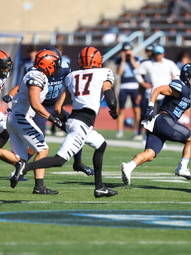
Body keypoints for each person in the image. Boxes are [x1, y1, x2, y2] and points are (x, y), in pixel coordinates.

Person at [10, 46, 119, 198]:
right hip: (83, 123)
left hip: (75, 120)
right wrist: (113, 109)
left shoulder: (72, 76)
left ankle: (100, 187)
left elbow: (58, 107)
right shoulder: (103, 72)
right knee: (59, 160)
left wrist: (64, 123)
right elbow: (110, 97)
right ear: (98, 60)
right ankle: (24, 168)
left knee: (101, 144)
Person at [4, 47, 95, 176]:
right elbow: (21, 85)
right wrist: (11, 95)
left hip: (55, 106)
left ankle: (78, 162)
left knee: (76, 131)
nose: (57, 66)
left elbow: (72, 85)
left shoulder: (64, 69)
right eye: (55, 63)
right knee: (37, 142)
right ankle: (20, 170)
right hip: (40, 108)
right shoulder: (37, 72)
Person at [120, 63, 191, 186]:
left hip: (161, 123)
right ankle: (182, 168)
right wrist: (150, 107)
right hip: (165, 120)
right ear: (186, 76)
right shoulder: (180, 86)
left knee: (150, 154)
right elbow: (157, 89)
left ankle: (129, 166)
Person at [7, 49, 63, 194]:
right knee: (43, 150)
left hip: (16, 117)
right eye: (55, 64)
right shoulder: (37, 76)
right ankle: (39, 186)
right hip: (21, 117)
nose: (56, 67)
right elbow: (35, 104)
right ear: (47, 64)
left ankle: (22, 169)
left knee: (20, 158)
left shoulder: (34, 73)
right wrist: (52, 118)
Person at [134, 45, 180, 116]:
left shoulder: (169, 63)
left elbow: (178, 74)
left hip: (166, 95)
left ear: (163, 54)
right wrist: (143, 83)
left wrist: (174, 82)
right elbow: (136, 73)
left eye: (159, 53)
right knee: (151, 117)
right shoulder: (147, 64)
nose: (158, 55)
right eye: (156, 53)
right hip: (152, 94)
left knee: (164, 117)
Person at [114, 42, 142, 139]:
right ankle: (120, 131)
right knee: (121, 110)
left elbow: (139, 70)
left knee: (136, 110)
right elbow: (119, 73)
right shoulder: (119, 60)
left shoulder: (137, 58)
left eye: (128, 50)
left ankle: (136, 131)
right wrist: (123, 60)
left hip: (135, 86)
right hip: (123, 86)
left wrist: (132, 59)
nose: (127, 52)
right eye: (125, 50)